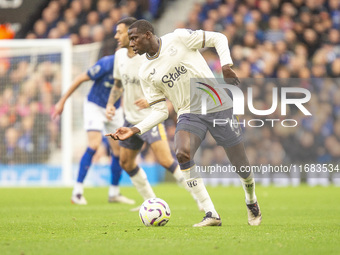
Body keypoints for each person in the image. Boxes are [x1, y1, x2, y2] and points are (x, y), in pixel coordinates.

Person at [106, 20, 261, 227]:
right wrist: (135, 129)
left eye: (134, 38)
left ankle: (250, 199)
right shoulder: (145, 72)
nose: (132, 43)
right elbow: (160, 111)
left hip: (215, 101)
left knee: (239, 162)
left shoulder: (179, 38)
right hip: (188, 112)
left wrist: (226, 66)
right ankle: (210, 212)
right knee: (182, 153)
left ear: (148, 35)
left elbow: (218, 38)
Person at [106, 17, 201, 211]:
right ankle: (150, 202)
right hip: (130, 118)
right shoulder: (119, 57)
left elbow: (166, 84)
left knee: (166, 161)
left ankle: (199, 199)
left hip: (150, 117)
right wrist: (110, 104)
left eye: (120, 32)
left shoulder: (147, 56)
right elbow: (118, 84)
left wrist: (151, 101)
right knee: (126, 162)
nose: (117, 36)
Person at [53, 54, 135, 206]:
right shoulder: (107, 63)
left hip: (115, 109)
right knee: (94, 145)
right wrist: (62, 101)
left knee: (118, 152)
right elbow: (80, 79)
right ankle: (77, 192)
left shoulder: (134, 66)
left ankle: (114, 193)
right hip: (94, 105)